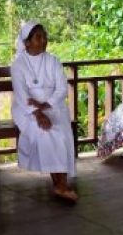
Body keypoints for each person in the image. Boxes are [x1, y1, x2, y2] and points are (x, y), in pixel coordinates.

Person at [11, 21, 77, 202]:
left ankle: (60, 184)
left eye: (45, 36)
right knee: (48, 132)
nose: (44, 40)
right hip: (27, 109)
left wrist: (46, 104)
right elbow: (22, 95)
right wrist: (38, 113)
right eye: (38, 37)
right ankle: (61, 185)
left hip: (53, 105)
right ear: (27, 42)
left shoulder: (53, 60)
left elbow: (62, 89)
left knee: (61, 134)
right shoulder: (18, 64)